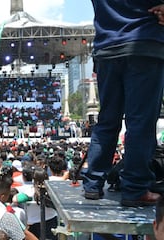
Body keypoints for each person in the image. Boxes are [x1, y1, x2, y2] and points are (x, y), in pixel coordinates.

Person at [81, 1, 164, 207]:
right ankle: (135, 188)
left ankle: (92, 184)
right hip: (143, 44)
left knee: (107, 121)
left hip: (107, 47)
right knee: (140, 123)